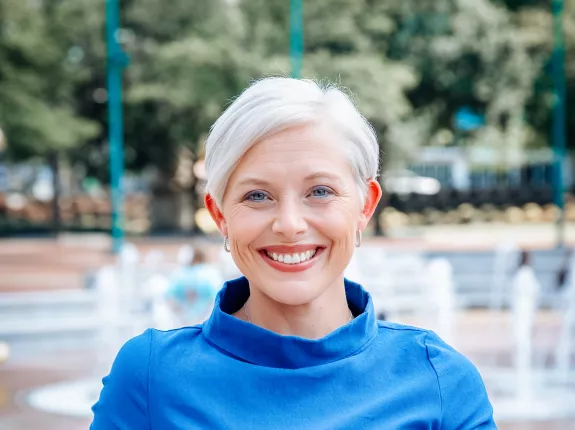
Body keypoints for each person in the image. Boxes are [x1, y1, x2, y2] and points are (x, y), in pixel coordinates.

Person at [91, 77, 496, 429]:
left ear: (365, 207)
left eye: (320, 191)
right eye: (257, 195)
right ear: (220, 216)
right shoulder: (149, 378)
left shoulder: (440, 381)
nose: (289, 224)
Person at [165, 248, 223, 324]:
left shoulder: (179, 273)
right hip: (205, 321)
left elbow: (169, 297)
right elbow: (218, 297)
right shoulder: (211, 273)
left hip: (183, 321)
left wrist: (180, 316)